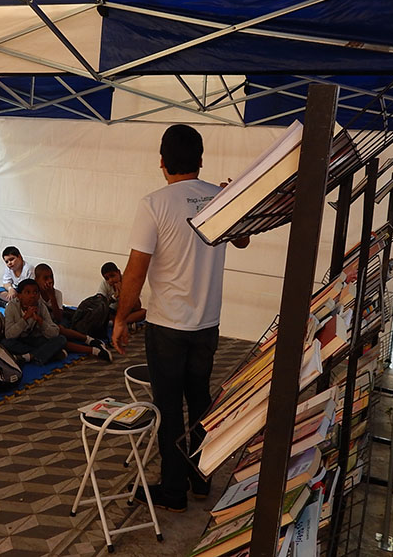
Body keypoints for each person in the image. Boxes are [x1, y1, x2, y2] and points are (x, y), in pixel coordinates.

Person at [112, 124, 249, 512]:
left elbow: (136, 271)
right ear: (200, 160)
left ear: (162, 161)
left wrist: (121, 318)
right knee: (200, 401)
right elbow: (243, 240)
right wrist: (234, 200)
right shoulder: (219, 199)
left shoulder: (154, 204)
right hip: (207, 324)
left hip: (168, 326)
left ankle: (173, 490)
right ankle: (200, 478)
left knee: (170, 408)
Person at [34, 263, 113, 362]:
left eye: (51, 277)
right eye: (45, 278)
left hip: (57, 321)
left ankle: (90, 340)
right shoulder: (34, 295)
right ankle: (94, 350)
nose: (50, 281)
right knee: (59, 337)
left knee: (61, 329)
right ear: (36, 280)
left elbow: (58, 317)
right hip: (44, 326)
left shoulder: (57, 293)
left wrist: (52, 297)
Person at [3, 279, 67, 365]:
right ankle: (45, 354)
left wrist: (40, 321)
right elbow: (9, 335)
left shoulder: (41, 306)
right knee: (5, 343)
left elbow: (54, 332)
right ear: (19, 296)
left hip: (35, 339)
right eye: (28, 292)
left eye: (35, 292)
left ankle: (29, 356)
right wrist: (25, 318)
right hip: (19, 340)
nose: (32, 296)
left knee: (61, 339)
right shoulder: (11, 307)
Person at [99, 262, 146, 326]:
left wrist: (124, 293)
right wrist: (114, 297)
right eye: (107, 279)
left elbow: (138, 307)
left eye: (112, 276)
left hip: (127, 311)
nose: (111, 280)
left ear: (118, 272)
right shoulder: (105, 284)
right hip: (113, 311)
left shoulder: (128, 281)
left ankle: (117, 322)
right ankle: (122, 322)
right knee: (101, 313)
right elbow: (100, 304)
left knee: (143, 312)